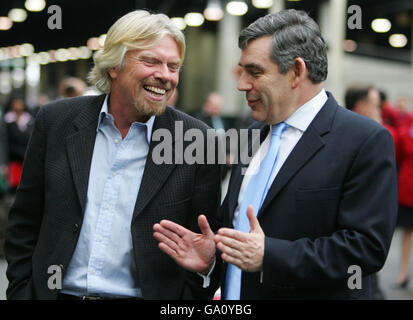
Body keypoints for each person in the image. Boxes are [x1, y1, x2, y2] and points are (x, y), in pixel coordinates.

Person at [153, 9, 398, 300]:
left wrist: (271, 255)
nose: (242, 84)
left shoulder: (364, 140)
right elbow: (235, 232)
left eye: (254, 72)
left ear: (296, 71)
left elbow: (365, 250)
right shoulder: (254, 135)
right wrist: (211, 259)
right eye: (242, 70)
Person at [4, 10, 221, 300]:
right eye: (151, 61)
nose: (165, 76)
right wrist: (22, 292)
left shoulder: (196, 140)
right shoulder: (56, 122)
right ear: (114, 66)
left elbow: (204, 248)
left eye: (173, 66)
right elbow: (24, 223)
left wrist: (206, 268)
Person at [393, 106, 413, 289]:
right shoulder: (406, 130)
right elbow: (397, 157)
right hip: (408, 190)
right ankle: (403, 273)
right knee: (407, 233)